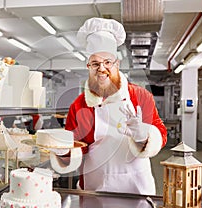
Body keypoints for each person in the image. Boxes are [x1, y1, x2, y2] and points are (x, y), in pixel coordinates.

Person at [64, 17, 167, 195]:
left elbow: (161, 133)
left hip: (136, 187)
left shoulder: (140, 96)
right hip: (94, 188)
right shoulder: (79, 105)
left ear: (117, 64)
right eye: (95, 63)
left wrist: (144, 136)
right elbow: (75, 149)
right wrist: (62, 151)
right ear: (88, 66)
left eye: (107, 62)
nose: (101, 69)